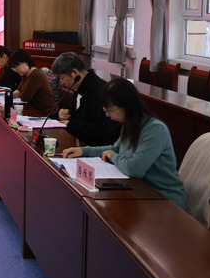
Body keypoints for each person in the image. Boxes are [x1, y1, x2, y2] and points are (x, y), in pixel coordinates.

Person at [62, 78, 188, 211]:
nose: (107, 115)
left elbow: (134, 168)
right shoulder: (129, 124)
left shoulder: (155, 129)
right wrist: (83, 151)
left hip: (165, 201)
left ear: (125, 105)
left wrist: (113, 156)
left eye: (109, 110)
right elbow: (115, 148)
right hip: (140, 192)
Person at [51, 52, 120, 146]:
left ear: (75, 72)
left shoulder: (99, 90)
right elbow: (82, 116)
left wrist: (71, 125)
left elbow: (104, 130)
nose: (62, 83)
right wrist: (64, 115)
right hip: (81, 142)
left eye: (62, 78)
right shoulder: (79, 85)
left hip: (98, 147)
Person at [8, 49, 57, 116]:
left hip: (48, 114)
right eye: (13, 68)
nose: (15, 70)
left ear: (25, 63)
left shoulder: (35, 74)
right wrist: (7, 95)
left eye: (16, 66)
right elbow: (18, 90)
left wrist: (17, 94)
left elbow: (25, 97)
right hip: (37, 111)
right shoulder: (25, 74)